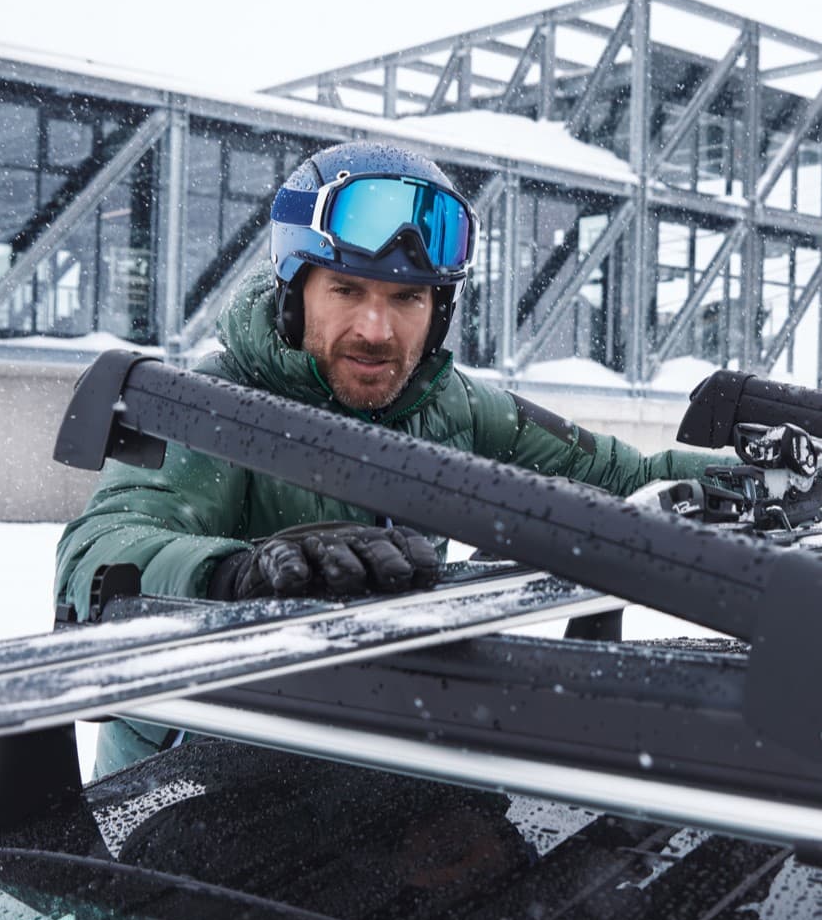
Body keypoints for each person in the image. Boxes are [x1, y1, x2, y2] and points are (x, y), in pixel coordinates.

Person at [55, 141, 731, 776]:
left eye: (407, 298)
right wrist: (237, 577)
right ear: (295, 294)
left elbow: (627, 481)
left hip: (379, 785)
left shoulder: (454, 407)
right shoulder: (214, 407)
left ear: (438, 309)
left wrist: (755, 475)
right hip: (184, 802)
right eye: (347, 290)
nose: (377, 331)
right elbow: (99, 559)